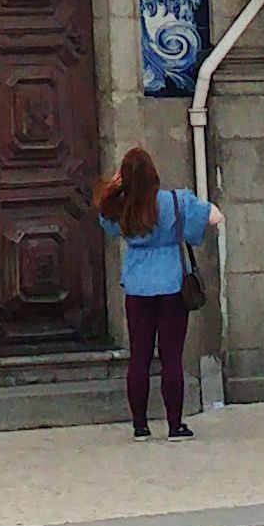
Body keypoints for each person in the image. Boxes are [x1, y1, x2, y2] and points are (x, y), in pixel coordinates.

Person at [97, 143, 222, 441]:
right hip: (172, 284)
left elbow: (104, 219)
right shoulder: (176, 202)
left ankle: (140, 426)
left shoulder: (121, 207)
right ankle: (175, 425)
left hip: (138, 285)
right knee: (171, 357)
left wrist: (114, 187)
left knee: (139, 357)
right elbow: (215, 217)